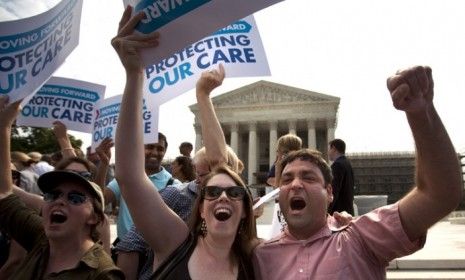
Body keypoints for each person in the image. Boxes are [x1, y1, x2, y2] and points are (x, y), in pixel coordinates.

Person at [252, 65, 463, 279]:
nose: (296, 184)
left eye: (308, 177)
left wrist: (421, 113)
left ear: (330, 191)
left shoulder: (360, 238)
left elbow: (438, 195)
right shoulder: (260, 256)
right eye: (286, 179)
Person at [112, 6, 259, 278]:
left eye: (235, 193)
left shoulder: (256, 261)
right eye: (212, 192)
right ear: (200, 208)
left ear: (247, 212)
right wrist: (135, 76)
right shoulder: (175, 242)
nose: (223, 196)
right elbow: (130, 177)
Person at [0, 96, 123, 279]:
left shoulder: (102, 275)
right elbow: (4, 194)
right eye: (53, 194)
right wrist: (4, 126)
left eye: (75, 198)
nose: (60, 201)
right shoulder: (40, 237)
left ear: (95, 217)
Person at [327, 138, 355, 215]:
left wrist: (327, 211)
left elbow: (334, 190)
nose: (328, 152)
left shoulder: (337, 165)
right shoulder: (347, 163)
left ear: (334, 149)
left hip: (338, 213)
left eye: (329, 149)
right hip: (347, 210)